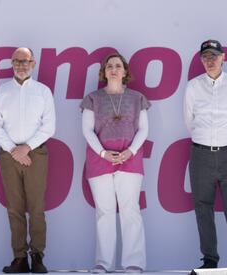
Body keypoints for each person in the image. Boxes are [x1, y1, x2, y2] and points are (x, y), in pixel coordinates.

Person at [184, 39, 227, 270]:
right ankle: (210, 260)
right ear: (201, 60)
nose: (210, 60)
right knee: (203, 207)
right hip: (200, 155)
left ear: (223, 58)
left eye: (214, 55)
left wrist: (223, 140)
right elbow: (189, 121)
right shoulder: (193, 86)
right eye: (205, 57)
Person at [80, 53, 150, 274]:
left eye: (118, 66)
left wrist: (130, 151)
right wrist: (103, 153)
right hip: (100, 160)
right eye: (109, 66)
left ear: (125, 71)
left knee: (131, 210)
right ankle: (103, 263)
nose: (113, 69)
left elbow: (144, 130)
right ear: (104, 72)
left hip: (130, 159)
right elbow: (87, 130)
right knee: (104, 212)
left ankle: (134, 264)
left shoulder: (138, 98)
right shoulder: (93, 98)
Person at [0, 47, 56, 273]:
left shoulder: (43, 92)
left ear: (33, 64)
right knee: (14, 208)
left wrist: (26, 148)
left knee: (37, 208)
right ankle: (19, 258)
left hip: (36, 153)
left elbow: (49, 126)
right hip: (9, 155)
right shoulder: (1, 92)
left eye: (25, 61)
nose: (21, 65)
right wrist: (14, 150)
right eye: (17, 61)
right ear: (11, 63)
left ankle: (37, 256)